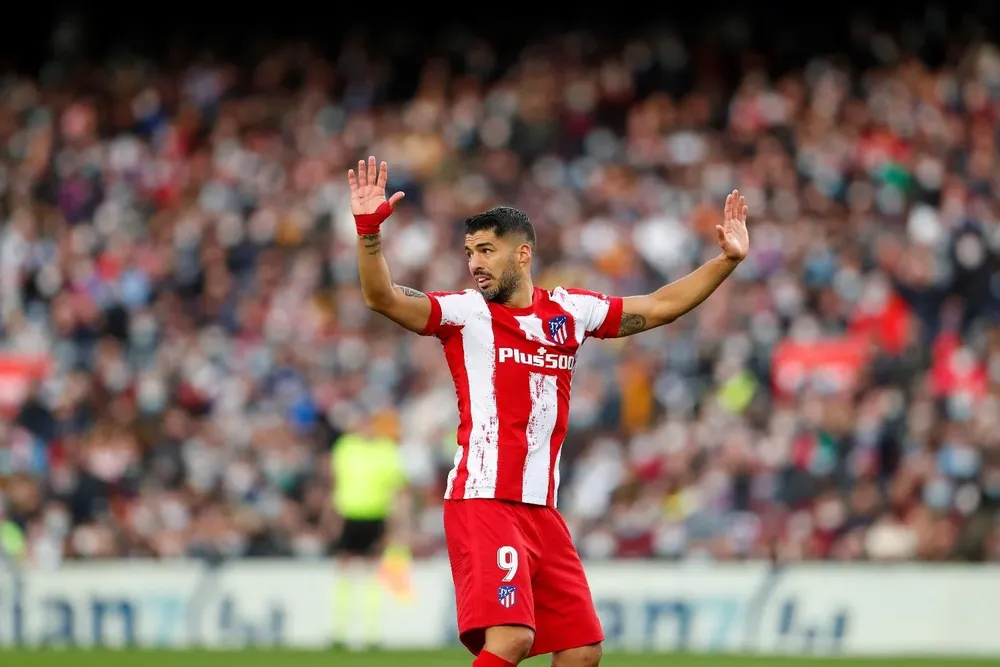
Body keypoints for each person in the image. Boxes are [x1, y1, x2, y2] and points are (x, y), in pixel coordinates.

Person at [351, 156, 749, 667]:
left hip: (542, 509)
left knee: (583, 651)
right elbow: (381, 296)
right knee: (511, 640)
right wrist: (368, 234)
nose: (474, 263)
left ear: (522, 254)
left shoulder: (569, 310)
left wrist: (727, 261)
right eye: (470, 251)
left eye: (487, 250)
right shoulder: (466, 314)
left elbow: (657, 307)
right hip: (485, 498)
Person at [329, 411, 407, 648]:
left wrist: (398, 524)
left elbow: (396, 489)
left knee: (373, 572)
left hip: (375, 516)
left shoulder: (386, 450)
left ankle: (371, 631)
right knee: (344, 571)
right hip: (350, 515)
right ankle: (340, 629)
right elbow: (335, 482)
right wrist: (332, 517)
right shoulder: (346, 447)